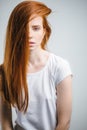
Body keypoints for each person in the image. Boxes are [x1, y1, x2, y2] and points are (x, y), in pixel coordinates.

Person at [0, 1, 73, 130]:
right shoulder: (5, 71)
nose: (29, 35)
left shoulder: (60, 67)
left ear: (44, 31)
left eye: (36, 28)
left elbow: (64, 123)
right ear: (15, 32)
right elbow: (5, 123)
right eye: (23, 28)